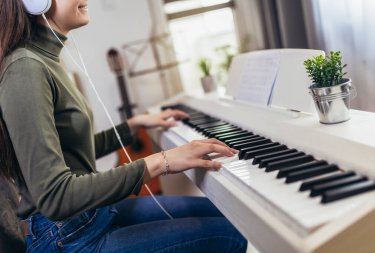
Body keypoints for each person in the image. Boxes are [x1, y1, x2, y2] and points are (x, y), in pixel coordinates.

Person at [0, 0, 247, 252]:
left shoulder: (45, 58)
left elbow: (69, 151)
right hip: (66, 236)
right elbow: (55, 197)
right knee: (231, 236)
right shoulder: (25, 69)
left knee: (231, 217)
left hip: (91, 217)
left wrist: (133, 125)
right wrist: (162, 161)